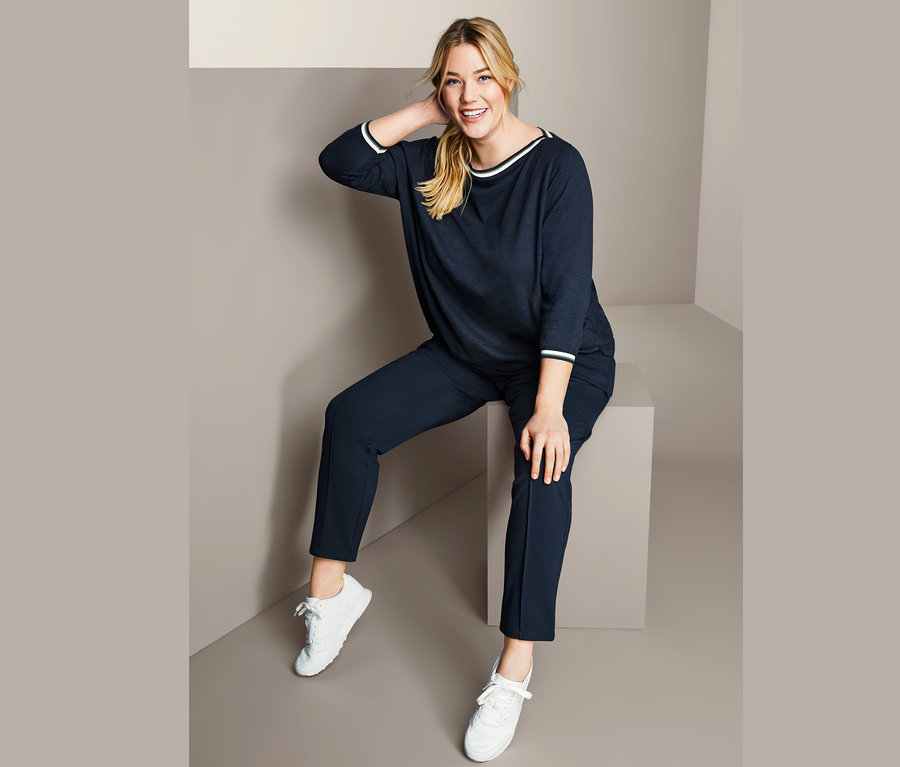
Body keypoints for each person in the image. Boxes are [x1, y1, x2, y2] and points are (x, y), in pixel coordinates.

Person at [292, 16, 616, 763]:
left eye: (483, 77)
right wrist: (428, 112)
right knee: (350, 416)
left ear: (510, 77)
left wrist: (548, 406)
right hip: (467, 354)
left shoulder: (558, 166)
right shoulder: (429, 163)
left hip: (558, 357)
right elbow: (340, 160)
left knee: (543, 468)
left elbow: (567, 294)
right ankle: (331, 597)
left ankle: (513, 670)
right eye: (453, 81)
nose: (470, 95)